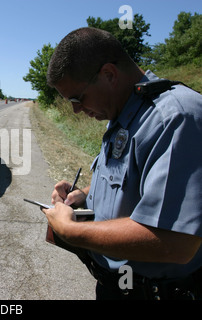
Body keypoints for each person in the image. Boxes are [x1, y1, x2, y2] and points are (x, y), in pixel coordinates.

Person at [44, 27, 202, 300]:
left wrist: (72, 230)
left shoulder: (174, 119)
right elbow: (129, 185)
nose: (76, 110)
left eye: (77, 98)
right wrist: (84, 196)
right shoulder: (123, 115)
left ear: (109, 74)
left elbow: (175, 242)